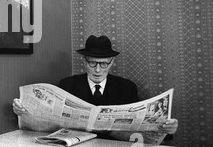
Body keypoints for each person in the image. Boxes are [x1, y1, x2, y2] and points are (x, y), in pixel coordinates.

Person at [13, 35, 178, 136]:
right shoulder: (68, 84)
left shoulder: (126, 88)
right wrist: (22, 111)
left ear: (112, 62)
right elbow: (48, 119)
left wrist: (166, 129)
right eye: (92, 63)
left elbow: (142, 125)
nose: (98, 70)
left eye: (104, 64)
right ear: (84, 62)